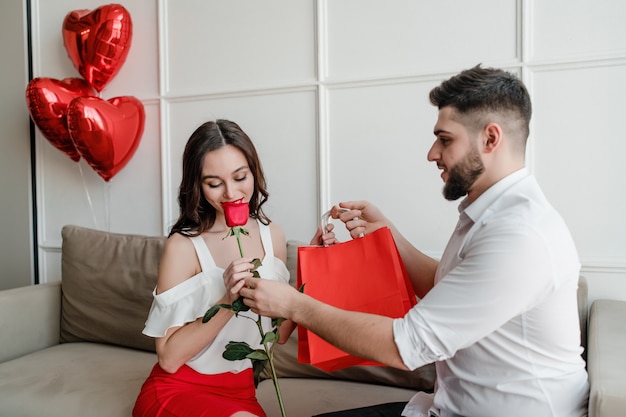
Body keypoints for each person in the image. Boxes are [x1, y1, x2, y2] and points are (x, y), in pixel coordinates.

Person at [239, 66, 590, 417]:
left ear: (490, 139)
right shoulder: (491, 213)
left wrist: (295, 305)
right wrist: (389, 238)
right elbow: (452, 286)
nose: (432, 153)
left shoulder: (518, 236)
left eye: (445, 139)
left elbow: (406, 346)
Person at [133, 119, 297, 417]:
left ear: (253, 172)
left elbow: (279, 335)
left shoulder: (272, 235)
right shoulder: (183, 246)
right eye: (214, 183)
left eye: (240, 177)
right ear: (197, 185)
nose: (231, 193)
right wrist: (227, 301)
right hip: (179, 388)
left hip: (243, 395)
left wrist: (315, 267)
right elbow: (169, 359)